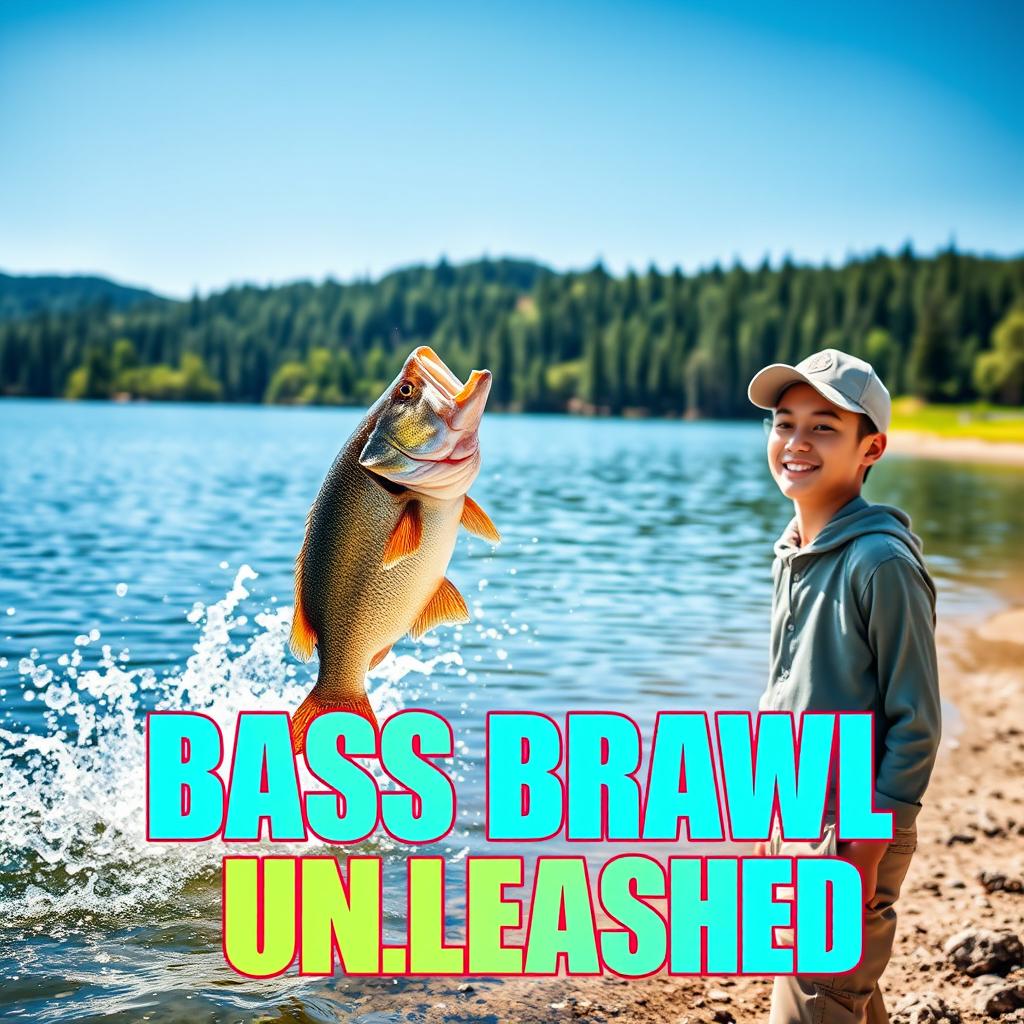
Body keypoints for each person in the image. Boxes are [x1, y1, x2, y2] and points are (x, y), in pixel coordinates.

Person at [747, 348, 941, 1023]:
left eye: (824, 427)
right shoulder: (793, 550)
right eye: (783, 422)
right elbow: (789, 685)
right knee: (843, 997)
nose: (796, 443)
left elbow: (917, 721)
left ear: (871, 448)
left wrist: (863, 846)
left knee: (814, 999)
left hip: (853, 827)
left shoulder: (879, 562)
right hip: (796, 808)